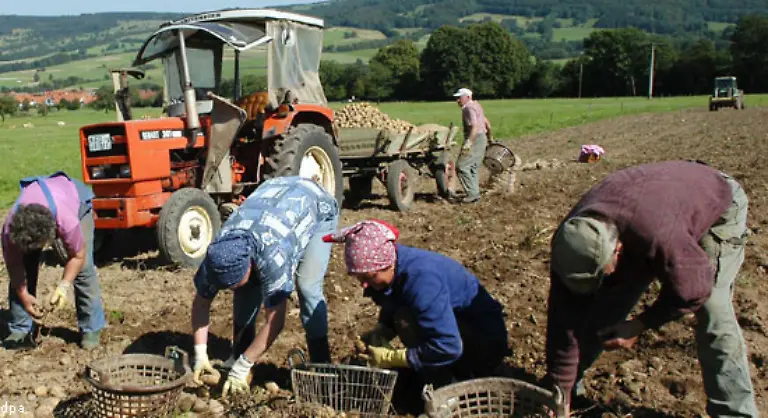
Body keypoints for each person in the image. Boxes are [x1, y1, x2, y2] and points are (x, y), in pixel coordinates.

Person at [545, 160, 759, 417]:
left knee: (713, 309)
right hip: (651, 208)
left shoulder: (659, 236)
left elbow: (693, 291)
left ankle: (735, 412)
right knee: (603, 303)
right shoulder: (570, 243)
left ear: (619, 250)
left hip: (717, 202)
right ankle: (570, 394)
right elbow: (564, 321)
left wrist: (640, 324)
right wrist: (561, 393)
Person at [191, 176, 339, 396]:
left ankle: (322, 362)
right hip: (271, 197)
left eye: (234, 283)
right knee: (245, 289)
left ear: (250, 264)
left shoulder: (273, 255)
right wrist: (200, 353)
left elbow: (275, 321)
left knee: (307, 286)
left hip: (315, 207)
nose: (230, 290)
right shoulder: (216, 255)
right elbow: (201, 303)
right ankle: (240, 352)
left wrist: (243, 367)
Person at [325, 220, 508, 388]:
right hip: (457, 327)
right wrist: (382, 331)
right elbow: (395, 298)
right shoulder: (396, 264)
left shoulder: (422, 280)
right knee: (401, 316)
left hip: (483, 343)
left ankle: (452, 383)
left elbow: (449, 345)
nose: (364, 285)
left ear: (387, 264)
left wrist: (394, 357)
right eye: (359, 278)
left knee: (406, 320)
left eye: (369, 277)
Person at [2, 171, 106, 350]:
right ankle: (20, 328)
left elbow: (77, 256)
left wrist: (64, 286)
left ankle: (91, 328)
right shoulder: (9, 231)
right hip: (43, 205)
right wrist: (24, 296)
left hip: (74, 201)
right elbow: (14, 265)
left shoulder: (66, 220)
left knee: (84, 268)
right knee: (25, 265)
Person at [452, 87, 491, 204]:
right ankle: (475, 194)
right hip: (482, 137)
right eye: (457, 98)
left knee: (461, 166)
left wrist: (468, 143)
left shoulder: (468, 108)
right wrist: (490, 138)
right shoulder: (477, 105)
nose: (457, 100)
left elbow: (474, 126)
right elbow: (487, 124)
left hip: (475, 138)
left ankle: (472, 194)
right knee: (472, 167)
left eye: (459, 98)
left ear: (468, 97)